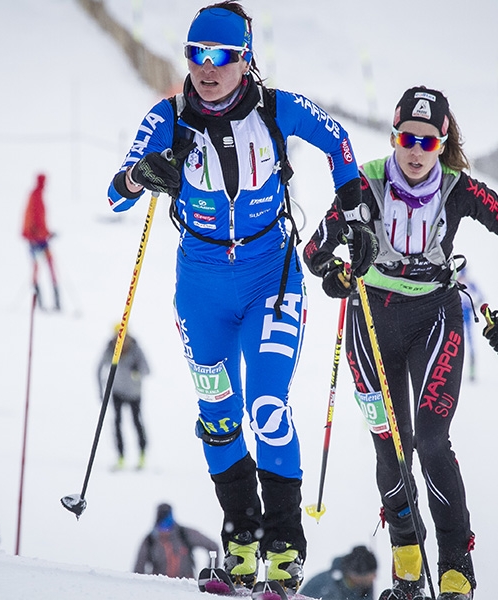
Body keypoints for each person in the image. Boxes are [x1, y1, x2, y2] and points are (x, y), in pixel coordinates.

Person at [106, 2, 364, 592]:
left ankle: (285, 551)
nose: (207, 68)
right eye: (196, 54)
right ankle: (241, 546)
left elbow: (338, 138)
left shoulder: (277, 109)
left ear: (245, 59)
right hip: (199, 291)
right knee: (218, 417)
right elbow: (116, 193)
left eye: (221, 56)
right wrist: (143, 174)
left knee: (267, 408)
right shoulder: (166, 117)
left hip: (268, 279)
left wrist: (352, 197)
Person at [303, 86, 498, 600]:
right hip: (369, 322)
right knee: (390, 449)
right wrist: (336, 274)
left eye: (427, 142)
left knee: (431, 442)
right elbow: (314, 250)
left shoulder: (458, 190)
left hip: (434, 319)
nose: (415, 150)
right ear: (394, 134)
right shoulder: (361, 182)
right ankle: (407, 570)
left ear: (442, 141)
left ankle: (455, 568)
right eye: (408, 137)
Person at [97, 327, 151, 470]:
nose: (120, 340)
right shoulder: (111, 349)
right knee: (117, 423)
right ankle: (120, 456)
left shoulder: (136, 349)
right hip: (118, 392)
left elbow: (147, 370)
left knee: (136, 422)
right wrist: (101, 390)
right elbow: (98, 368)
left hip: (134, 393)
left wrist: (136, 371)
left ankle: (142, 454)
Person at [133, 503, 219, 579]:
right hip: (159, 591)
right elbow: (138, 569)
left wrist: (210, 575)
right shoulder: (150, 540)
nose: (165, 529)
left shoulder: (184, 534)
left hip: (186, 590)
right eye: (162, 524)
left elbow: (213, 546)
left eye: (167, 523)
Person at [22, 172, 60, 311]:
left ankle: (53, 301)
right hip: (37, 241)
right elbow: (34, 220)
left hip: (41, 239)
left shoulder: (37, 195)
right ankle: (40, 301)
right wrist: (42, 234)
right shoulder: (36, 196)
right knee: (41, 269)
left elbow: (39, 221)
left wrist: (47, 233)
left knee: (46, 268)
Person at [301, 545, 379, 600]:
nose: (374, 577)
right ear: (354, 575)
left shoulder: (364, 588)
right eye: (369, 575)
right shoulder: (326, 587)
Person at [456, 271, 483, 382]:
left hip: (466, 312)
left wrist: (474, 305)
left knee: (470, 341)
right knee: (456, 341)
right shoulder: (455, 283)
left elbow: (481, 296)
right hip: (457, 313)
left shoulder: (470, 284)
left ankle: (472, 370)